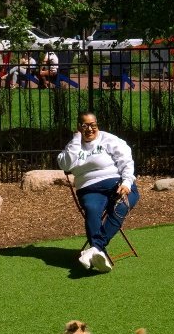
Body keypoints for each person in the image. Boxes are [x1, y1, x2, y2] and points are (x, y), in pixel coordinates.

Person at [57, 112, 140, 273]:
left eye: (93, 125)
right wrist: (76, 140)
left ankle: (96, 248)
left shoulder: (109, 139)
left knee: (122, 204)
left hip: (116, 183)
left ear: (97, 125)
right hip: (88, 188)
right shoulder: (74, 145)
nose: (89, 129)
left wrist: (126, 182)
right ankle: (98, 251)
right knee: (92, 209)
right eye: (85, 125)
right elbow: (65, 165)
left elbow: (126, 161)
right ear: (78, 127)